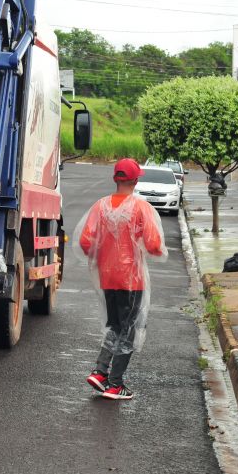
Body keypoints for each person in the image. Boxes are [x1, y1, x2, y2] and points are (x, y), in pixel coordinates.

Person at [79, 158, 167, 400]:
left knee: (115, 325)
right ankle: (116, 384)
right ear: (136, 180)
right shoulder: (141, 208)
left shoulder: (100, 206)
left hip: (108, 277)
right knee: (127, 330)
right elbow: (154, 244)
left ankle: (100, 371)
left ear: (115, 179)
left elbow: (86, 241)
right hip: (131, 280)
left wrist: (105, 256)